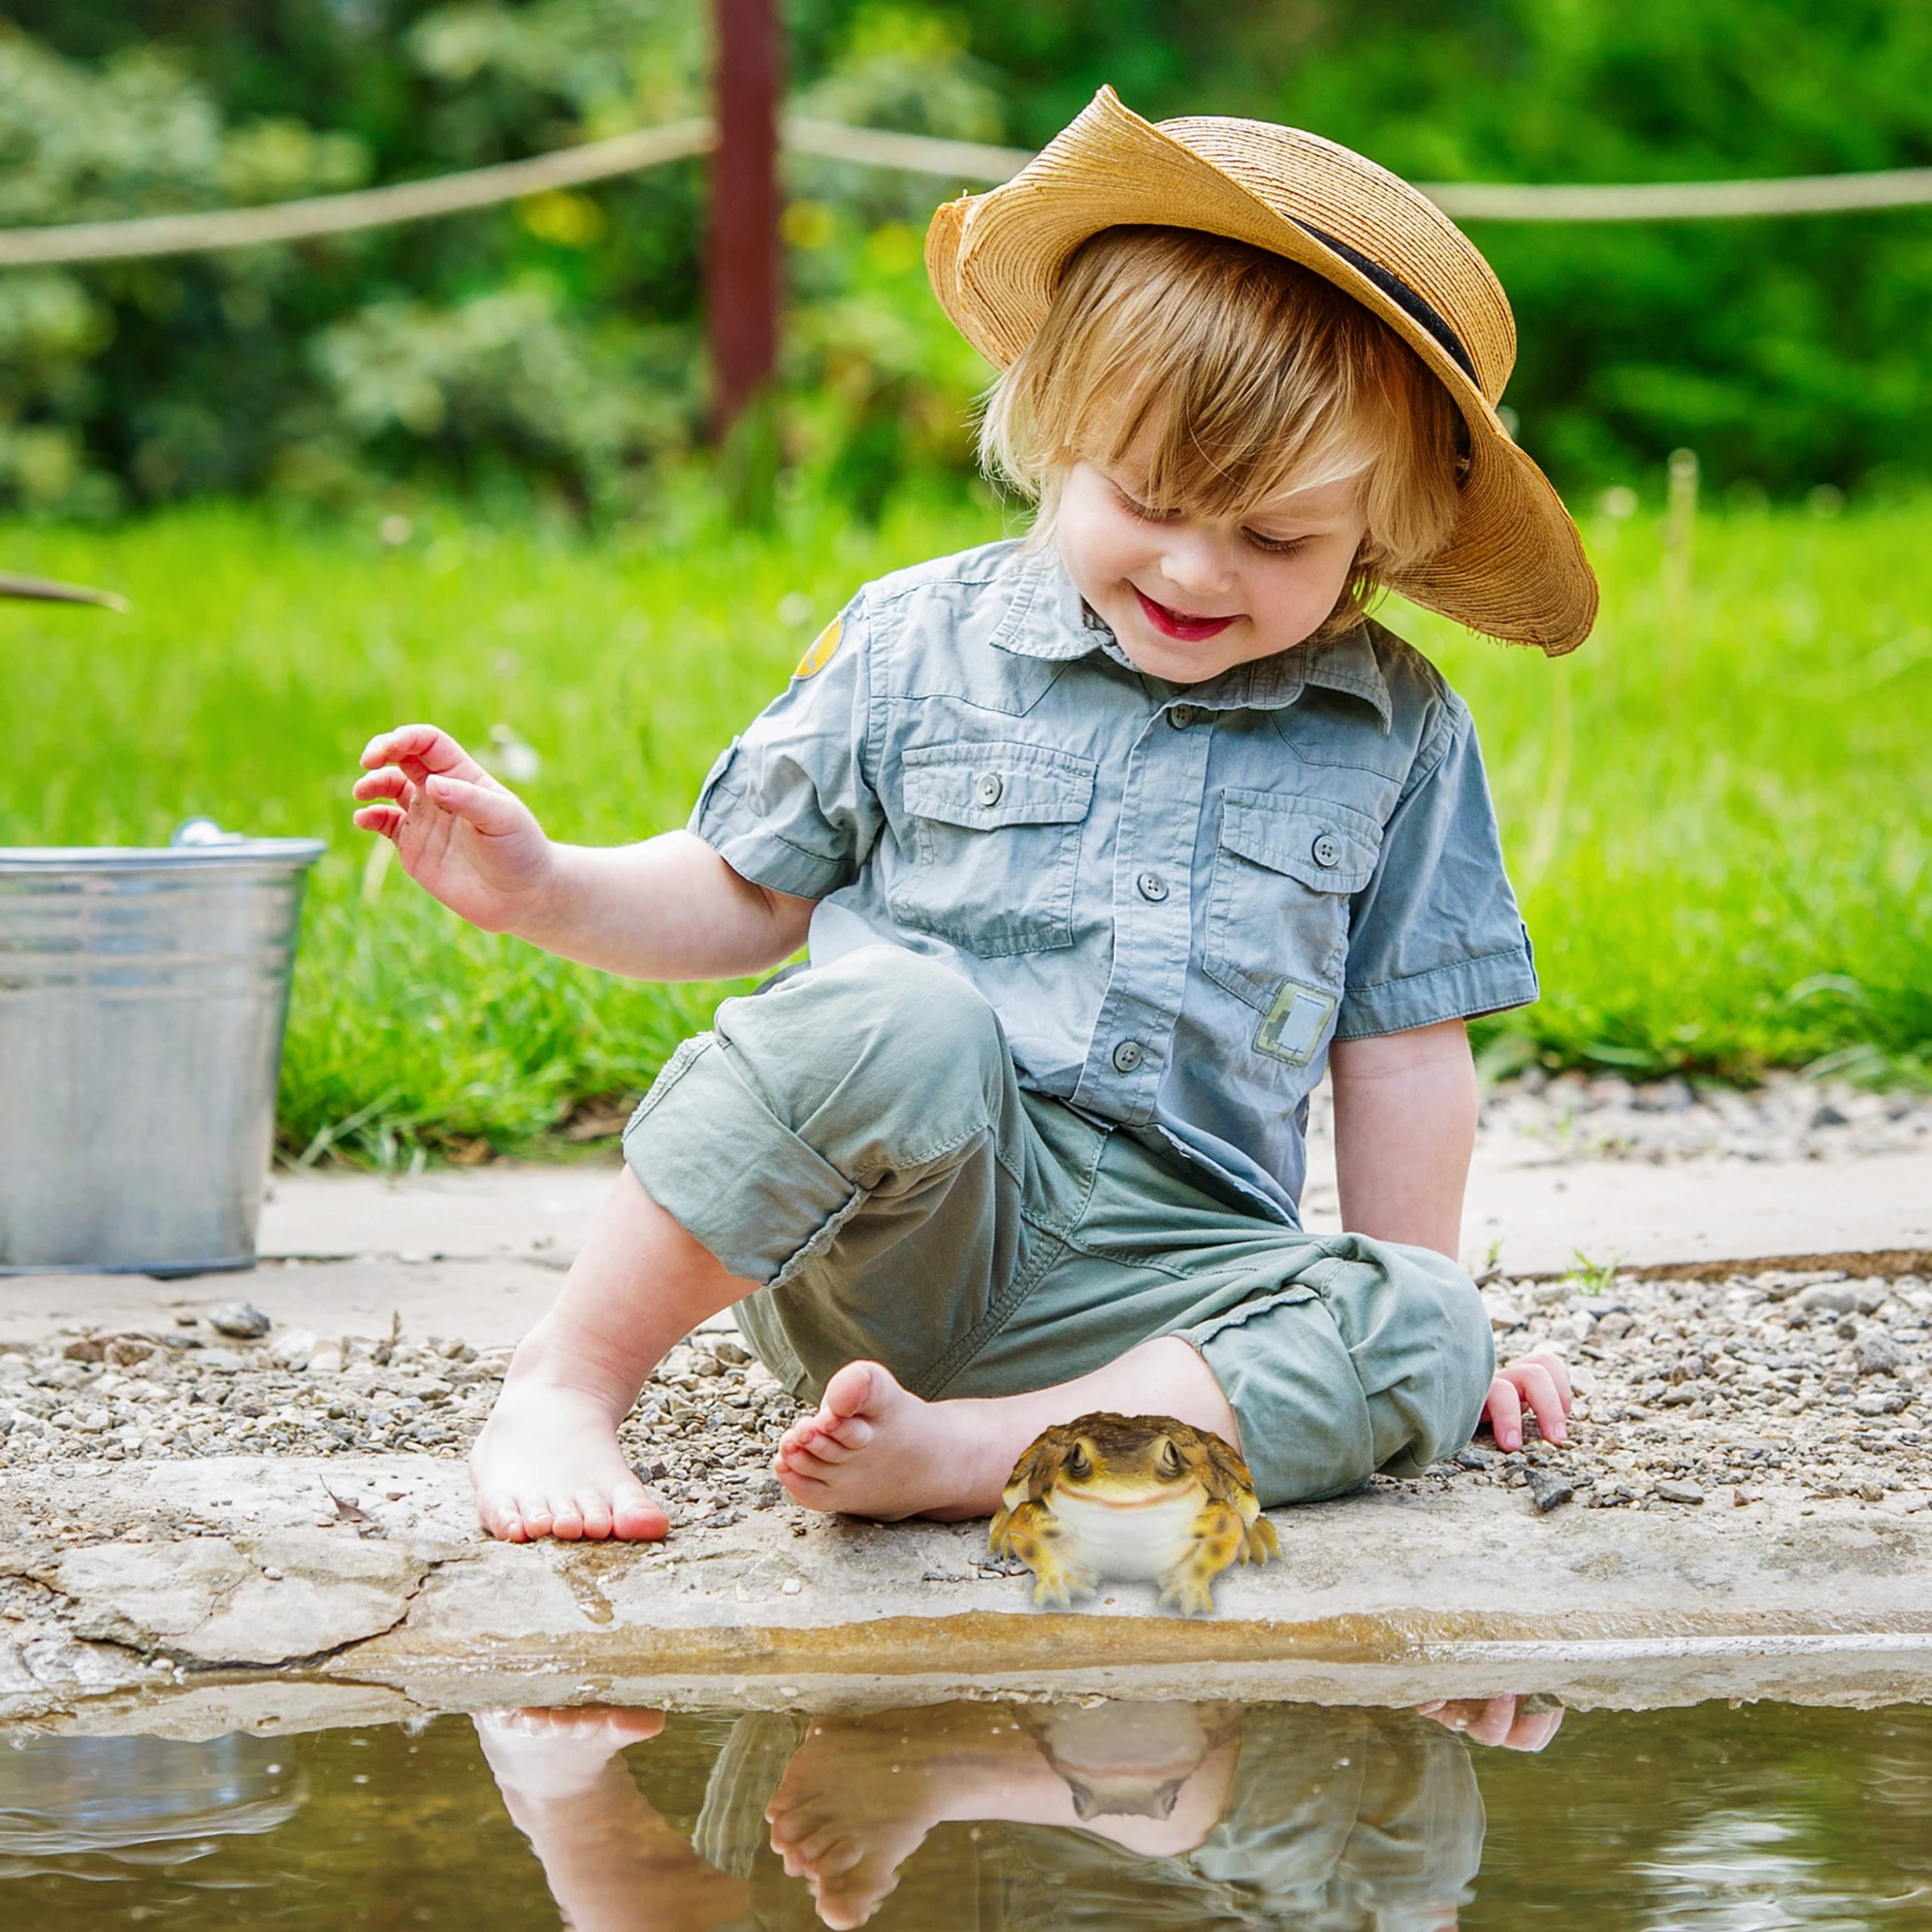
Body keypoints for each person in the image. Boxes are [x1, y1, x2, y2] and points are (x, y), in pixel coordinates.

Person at [352, 88, 1584, 1546]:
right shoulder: (913, 644)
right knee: (901, 1018)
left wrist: (1401, 1296)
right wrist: (543, 886)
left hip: (1174, 1281)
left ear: (1377, 534)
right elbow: (748, 896)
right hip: (896, 1237)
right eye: (1147, 499)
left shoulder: (1396, 732)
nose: (1195, 571)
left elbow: (1402, 1055)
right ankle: (568, 1379)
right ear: (1055, 433)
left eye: (1273, 538)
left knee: (1428, 1322)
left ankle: (981, 1453)